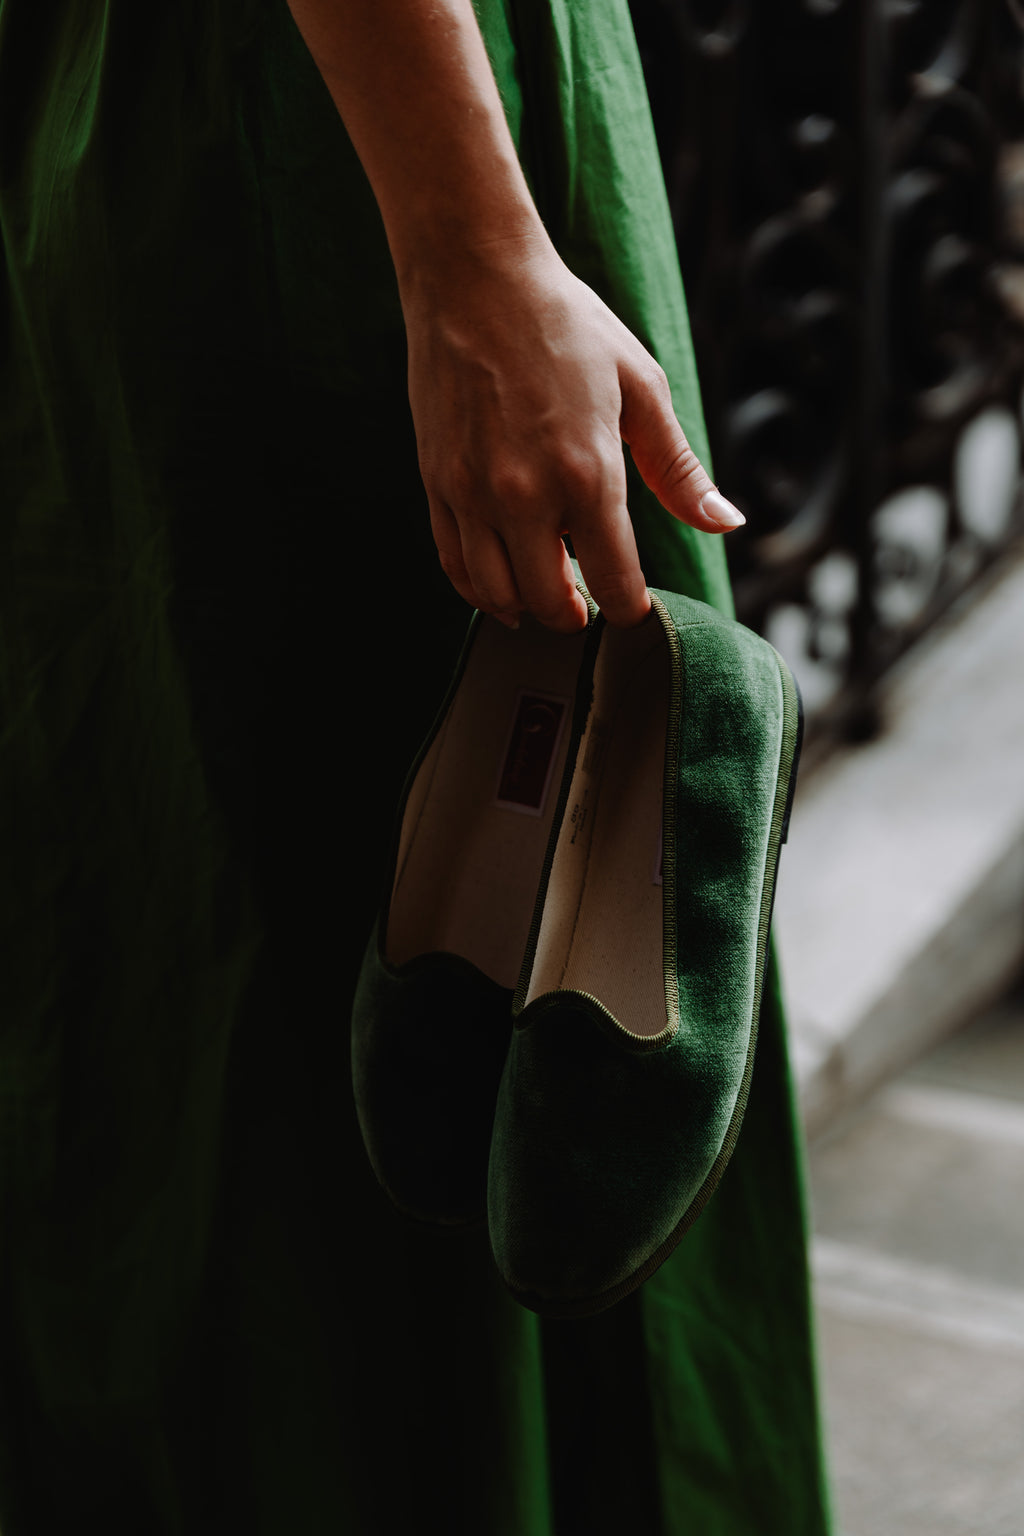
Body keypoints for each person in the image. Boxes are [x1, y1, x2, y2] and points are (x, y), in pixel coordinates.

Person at [0, 1, 833, 1531]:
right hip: (329, 137)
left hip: (200, 124)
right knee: (354, 1023)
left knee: (215, 995)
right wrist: (469, 247)